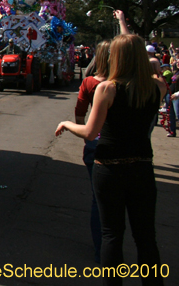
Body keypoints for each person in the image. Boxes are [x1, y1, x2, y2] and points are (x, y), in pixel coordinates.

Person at [56, 33, 166, 285]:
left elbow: (91, 132)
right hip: (142, 168)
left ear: (116, 58)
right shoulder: (157, 88)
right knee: (146, 236)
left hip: (110, 169)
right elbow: (153, 78)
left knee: (112, 235)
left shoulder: (107, 89)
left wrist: (67, 124)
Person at [73, 40, 111, 263]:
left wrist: (80, 130)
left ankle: (102, 251)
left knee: (99, 200)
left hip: (96, 145)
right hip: (128, 149)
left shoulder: (90, 83)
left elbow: (79, 114)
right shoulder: (125, 83)